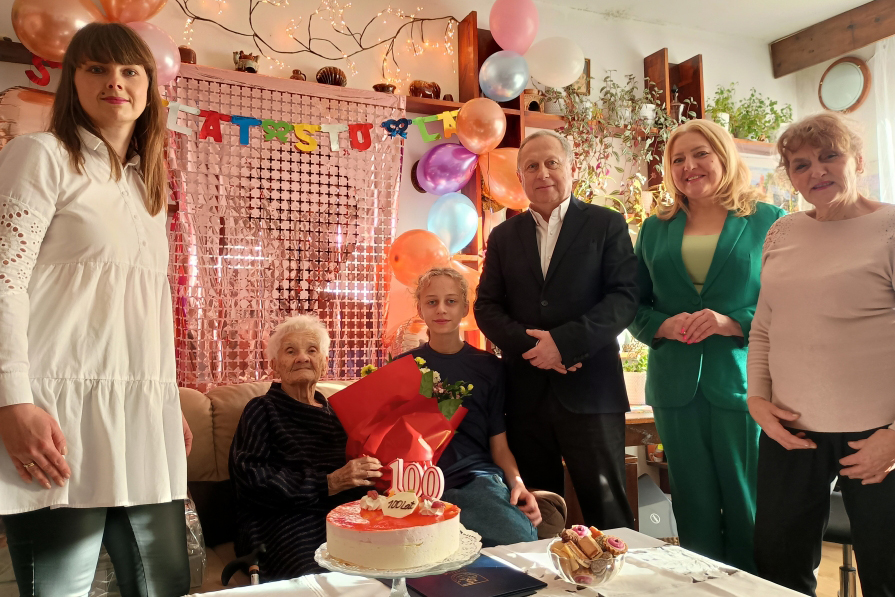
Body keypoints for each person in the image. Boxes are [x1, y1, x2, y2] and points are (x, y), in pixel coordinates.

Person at [0, 23, 191, 596]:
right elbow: (4, 282)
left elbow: (139, 308)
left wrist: (165, 397)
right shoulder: (41, 155)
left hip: (140, 417)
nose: (115, 82)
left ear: (150, 86)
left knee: (166, 586)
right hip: (57, 414)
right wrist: (12, 400)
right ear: (73, 81)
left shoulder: (147, 185)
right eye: (97, 68)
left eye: (130, 70)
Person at [747, 112, 895, 596]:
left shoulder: (891, 227)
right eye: (801, 164)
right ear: (790, 177)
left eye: (830, 156)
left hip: (877, 438)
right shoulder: (782, 232)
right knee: (778, 572)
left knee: (887, 576)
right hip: (790, 433)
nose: (817, 171)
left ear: (858, 161)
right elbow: (764, 327)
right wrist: (757, 400)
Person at [628, 119, 785, 571]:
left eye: (700, 154)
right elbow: (632, 305)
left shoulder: (769, 221)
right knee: (692, 505)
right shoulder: (655, 229)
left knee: (746, 502)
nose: (689, 166)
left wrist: (731, 322)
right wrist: (662, 325)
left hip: (742, 383)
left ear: (723, 156)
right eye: (677, 159)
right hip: (674, 387)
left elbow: (786, 303)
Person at [474, 129, 638, 530]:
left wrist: (563, 344)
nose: (542, 173)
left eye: (552, 163)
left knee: (608, 512)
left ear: (571, 168)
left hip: (592, 392)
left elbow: (624, 298)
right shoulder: (503, 236)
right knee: (536, 515)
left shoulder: (606, 224)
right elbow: (486, 307)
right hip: (525, 397)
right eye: (531, 166)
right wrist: (536, 349)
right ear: (520, 178)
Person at [397, 267, 541, 547]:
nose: (441, 309)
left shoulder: (490, 367)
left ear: (465, 308)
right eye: (432, 302)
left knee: (519, 538)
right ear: (420, 309)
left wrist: (517, 483)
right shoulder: (404, 366)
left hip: (476, 480)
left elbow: (499, 445)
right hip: (419, 483)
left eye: (451, 301)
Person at [229, 314, 378, 580]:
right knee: (321, 572)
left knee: (387, 557)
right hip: (280, 519)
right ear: (275, 364)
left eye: (312, 350)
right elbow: (251, 479)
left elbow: (355, 474)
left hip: (342, 512)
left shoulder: (340, 414)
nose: (302, 358)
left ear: (324, 362)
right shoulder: (262, 410)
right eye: (290, 351)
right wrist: (327, 483)